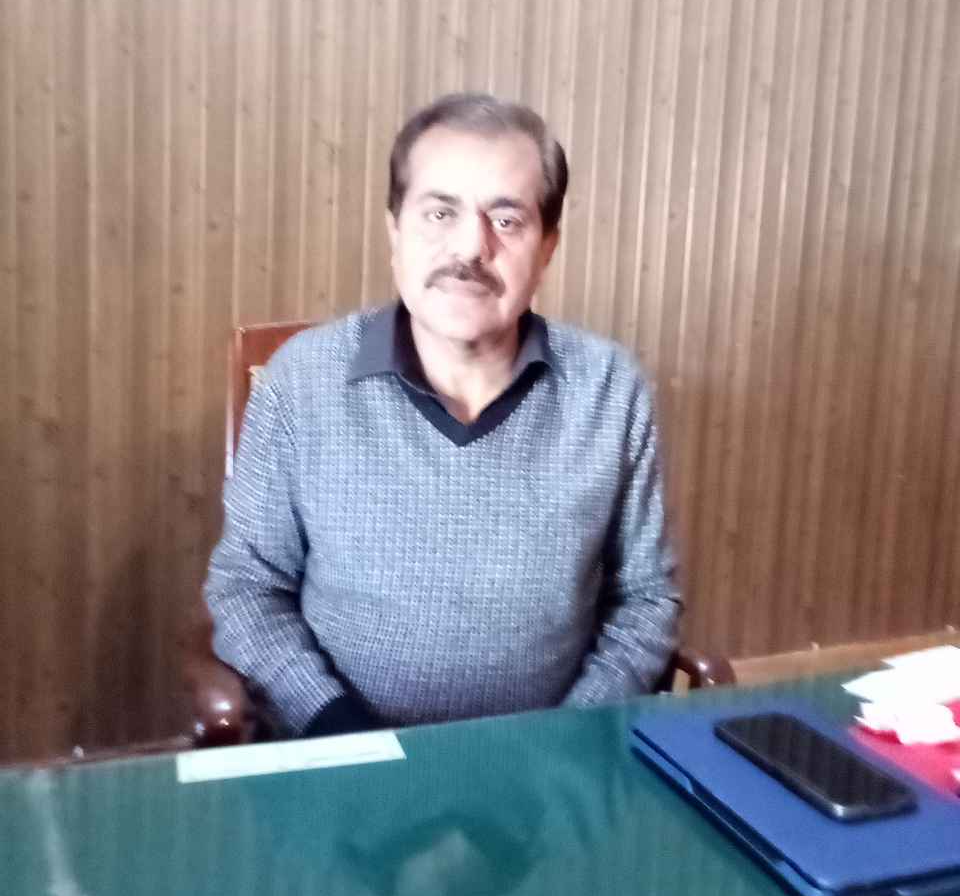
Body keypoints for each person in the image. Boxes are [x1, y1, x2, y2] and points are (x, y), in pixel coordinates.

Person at [204, 92, 682, 738]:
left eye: (507, 220)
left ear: (547, 249)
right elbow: (245, 590)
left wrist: (560, 743)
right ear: (394, 233)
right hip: (342, 758)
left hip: (547, 765)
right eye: (439, 212)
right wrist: (339, 728)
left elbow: (646, 601)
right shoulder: (302, 381)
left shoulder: (610, 390)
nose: (471, 247)